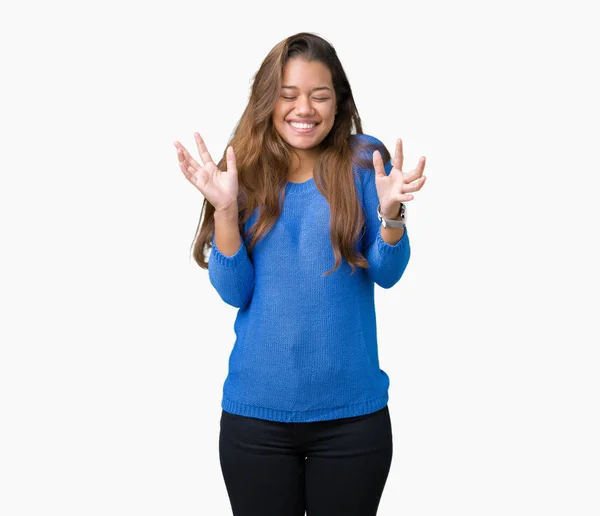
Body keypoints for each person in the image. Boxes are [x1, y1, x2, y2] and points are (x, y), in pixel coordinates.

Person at [174, 31, 427, 516]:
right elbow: (234, 291)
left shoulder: (364, 161)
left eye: (319, 95)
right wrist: (225, 209)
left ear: (338, 102)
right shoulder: (242, 168)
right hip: (256, 419)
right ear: (269, 101)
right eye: (288, 95)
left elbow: (388, 272)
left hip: (352, 420)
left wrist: (391, 213)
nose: (303, 109)